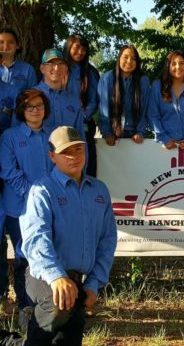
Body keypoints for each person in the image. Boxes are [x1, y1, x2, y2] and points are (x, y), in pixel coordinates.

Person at [0, 126, 117, 345]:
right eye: (66, 152)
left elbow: (107, 240)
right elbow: (36, 240)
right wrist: (56, 277)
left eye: (79, 149)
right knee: (58, 305)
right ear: (52, 156)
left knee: (66, 339)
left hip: (77, 279)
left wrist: (94, 283)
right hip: (40, 273)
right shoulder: (41, 190)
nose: (74, 156)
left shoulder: (99, 191)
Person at [0, 89, 53, 330]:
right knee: (23, 258)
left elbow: (60, 168)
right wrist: (34, 196)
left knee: (46, 254)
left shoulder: (54, 135)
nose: (34, 110)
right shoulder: (9, 137)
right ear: (22, 110)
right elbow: (9, 171)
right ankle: (25, 307)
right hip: (19, 208)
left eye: (39, 105)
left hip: (49, 208)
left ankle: (50, 307)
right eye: (29, 106)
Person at [147, 50, 184, 149]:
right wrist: (165, 139)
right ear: (168, 66)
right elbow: (153, 116)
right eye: (173, 63)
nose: (178, 67)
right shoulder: (157, 86)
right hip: (166, 146)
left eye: (182, 63)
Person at [98, 45, 150, 146]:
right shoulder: (107, 78)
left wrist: (140, 132)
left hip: (134, 135)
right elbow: (103, 110)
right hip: (112, 135)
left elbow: (145, 110)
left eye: (133, 58)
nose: (129, 61)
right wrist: (107, 133)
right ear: (119, 58)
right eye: (125, 57)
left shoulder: (143, 81)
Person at [63, 34, 99, 175]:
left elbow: (94, 100)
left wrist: (80, 118)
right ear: (68, 46)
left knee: (85, 167)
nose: (80, 52)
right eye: (77, 47)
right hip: (60, 125)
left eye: (84, 49)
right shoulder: (59, 68)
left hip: (83, 126)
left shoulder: (90, 72)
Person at [35, 49, 85, 139]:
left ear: (66, 69)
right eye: (51, 64)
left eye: (61, 64)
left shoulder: (73, 100)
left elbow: (80, 134)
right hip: (37, 152)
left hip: (67, 152)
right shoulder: (30, 96)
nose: (57, 68)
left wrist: (84, 153)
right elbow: (17, 133)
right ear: (42, 68)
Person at [0, 28, 37, 92]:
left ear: (17, 45)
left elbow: (32, 98)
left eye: (11, 42)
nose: (6, 47)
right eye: (1, 42)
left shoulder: (28, 70)